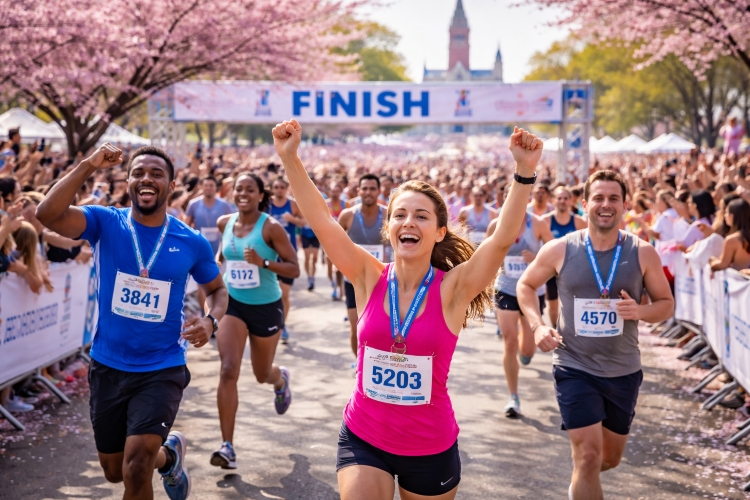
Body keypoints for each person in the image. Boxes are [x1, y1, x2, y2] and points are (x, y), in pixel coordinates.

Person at [272, 118, 541, 500]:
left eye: (421, 216)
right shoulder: (367, 275)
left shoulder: (453, 289)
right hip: (364, 436)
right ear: (389, 228)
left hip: (430, 448)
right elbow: (322, 220)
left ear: (440, 231)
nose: (408, 222)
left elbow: (499, 242)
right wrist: (290, 158)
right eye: (399, 215)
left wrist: (524, 173)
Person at [36, 144, 229, 500]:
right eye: (139, 172)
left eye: (157, 174)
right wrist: (88, 164)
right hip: (109, 365)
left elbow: (217, 290)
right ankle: (169, 456)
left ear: (171, 187)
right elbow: (47, 214)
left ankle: (156, 457)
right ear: (128, 182)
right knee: (114, 470)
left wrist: (211, 321)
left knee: (136, 466)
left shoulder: (192, 242)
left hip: (162, 367)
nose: (146, 179)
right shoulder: (104, 222)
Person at [517, 170, 673, 500]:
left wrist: (639, 312)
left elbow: (666, 305)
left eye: (613, 198)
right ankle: (583, 474)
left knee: (608, 459)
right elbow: (526, 285)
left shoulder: (642, 252)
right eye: (598, 198)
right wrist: (538, 324)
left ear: (625, 205)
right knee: (588, 456)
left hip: (623, 370)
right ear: (584, 204)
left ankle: (581, 482)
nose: (606, 205)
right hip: (575, 366)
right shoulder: (561, 249)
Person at [212, 173, 300, 470]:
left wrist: (262, 262)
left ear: (261, 195)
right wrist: (215, 271)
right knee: (227, 370)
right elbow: (221, 256)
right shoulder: (224, 223)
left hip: (265, 306)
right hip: (232, 304)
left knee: (262, 373)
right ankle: (227, 446)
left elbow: (294, 268)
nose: (243, 194)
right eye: (238, 189)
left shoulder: (271, 227)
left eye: (250, 189)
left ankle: (280, 379)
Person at [488, 205, 553, 417]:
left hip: (532, 289)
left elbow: (554, 253)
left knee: (526, 349)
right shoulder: (497, 225)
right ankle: (513, 396)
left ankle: (525, 356)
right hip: (505, 288)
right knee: (509, 341)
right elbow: (485, 256)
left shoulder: (537, 224)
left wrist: (536, 258)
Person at [337, 174, 388, 358]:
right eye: (364, 188)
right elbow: (335, 244)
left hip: (382, 280)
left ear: (379, 191)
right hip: (353, 280)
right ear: (358, 191)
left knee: (380, 328)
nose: (368, 192)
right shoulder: (348, 215)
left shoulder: (388, 215)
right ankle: (359, 363)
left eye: (372, 188)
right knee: (356, 325)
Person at [267, 177, 306, 342]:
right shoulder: (267, 204)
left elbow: (304, 222)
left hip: (288, 256)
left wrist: (292, 220)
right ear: (273, 189)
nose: (279, 190)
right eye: (276, 187)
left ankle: (282, 324)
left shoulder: (292, 204)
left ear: (286, 188)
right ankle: (271, 322)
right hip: (269, 255)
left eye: (282, 187)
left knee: (284, 293)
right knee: (270, 292)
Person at [543, 186, 587, 328]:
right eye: (559, 198)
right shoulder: (545, 221)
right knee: (553, 305)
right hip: (551, 269)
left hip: (573, 269)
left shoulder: (579, 222)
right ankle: (556, 332)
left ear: (571, 201)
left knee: (573, 304)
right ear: (553, 200)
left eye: (565, 198)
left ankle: (571, 333)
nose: (562, 201)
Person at [185, 175, 235, 256]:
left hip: (220, 247)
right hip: (200, 247)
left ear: (216, 187)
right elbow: (186, 226)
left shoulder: (224, 204)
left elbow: (232, 224)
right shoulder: (193, 204)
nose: (208, 188)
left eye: (211, 185)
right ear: (201, 187)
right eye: (206, 185)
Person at [710, 199, 750, 271]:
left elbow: (722, 264)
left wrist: (711, 262)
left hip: (738, 280)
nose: (725, 215)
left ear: (731, 216)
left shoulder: (732, 239)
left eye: (726, 213)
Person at [326, 182, 347, 300]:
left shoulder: (345, 204)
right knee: (330, 266)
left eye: (337, 191)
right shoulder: (325, 204)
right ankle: (333, 284)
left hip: (341, 240)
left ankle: (339, 288)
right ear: (329, 192)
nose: (335, 193)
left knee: (339, 266)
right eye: (333, 191)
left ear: (340, 192)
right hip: (328, 239)